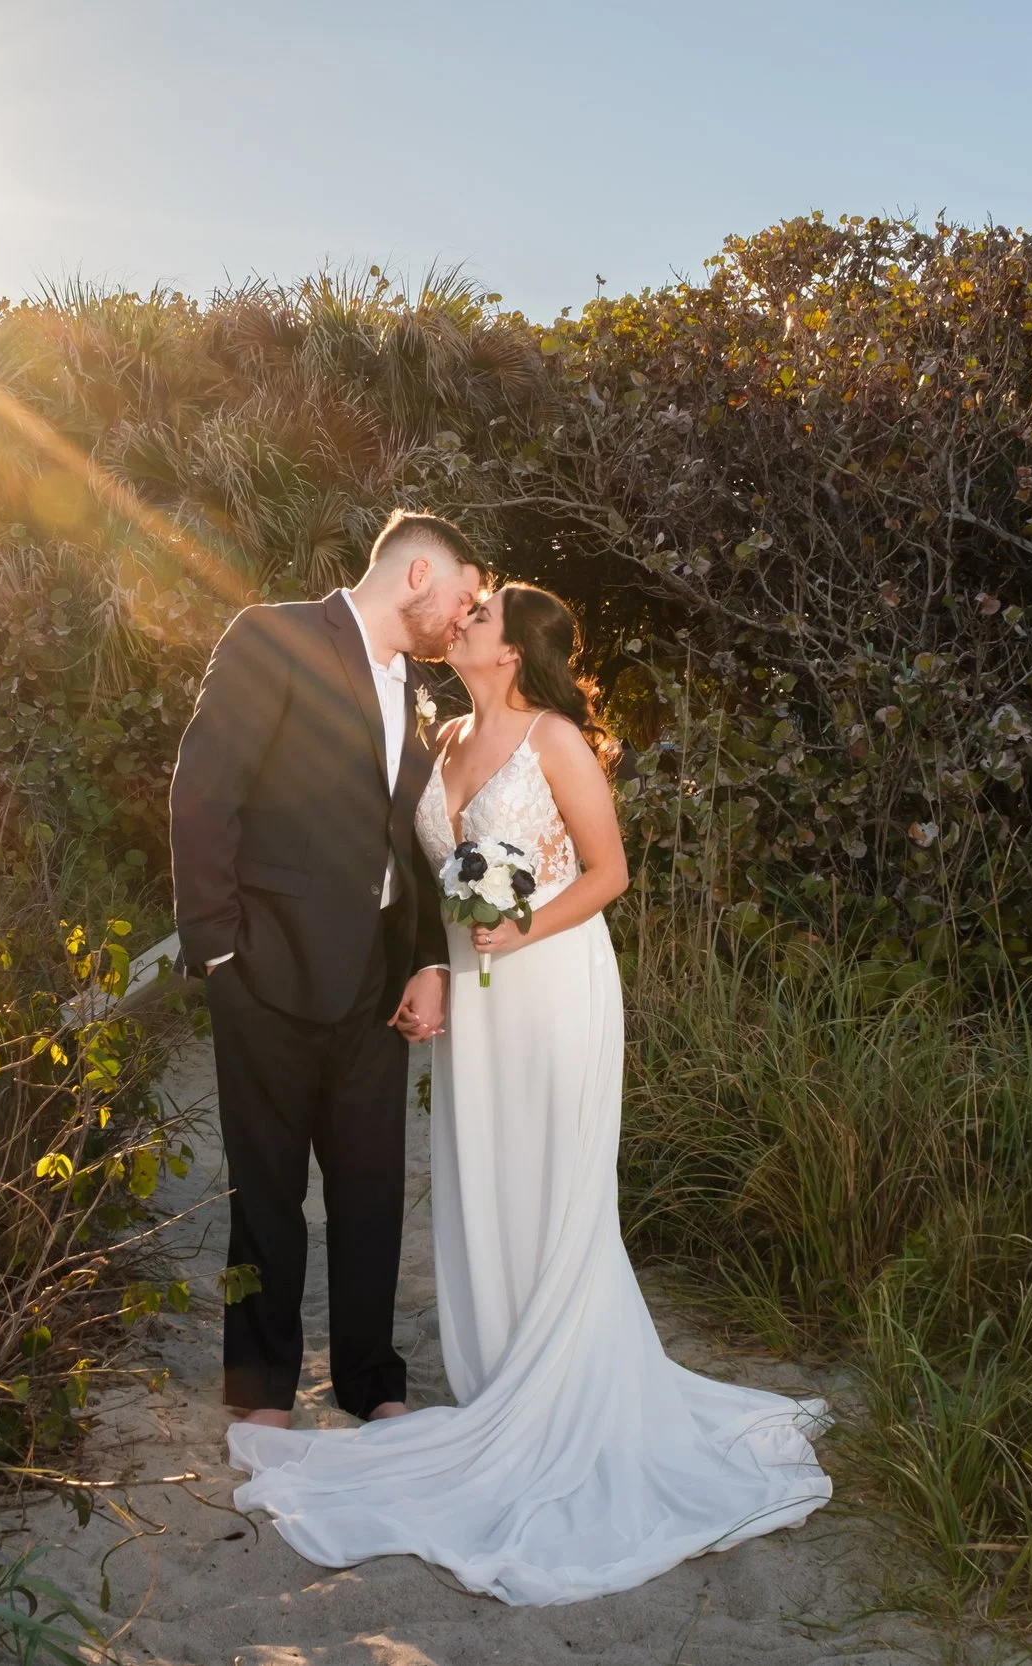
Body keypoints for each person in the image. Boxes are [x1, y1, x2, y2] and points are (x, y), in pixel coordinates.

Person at [225, 580, 833, 1606]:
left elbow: (608, 872)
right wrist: (432, 964)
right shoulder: (443, 731)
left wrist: (519, 932)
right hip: (477, 998)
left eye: (481, 617)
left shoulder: (553, 739)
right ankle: (505, 1371)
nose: (462, 621)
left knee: (555, 1183)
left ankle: (563, 1385)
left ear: (514, 652)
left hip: (550, 983)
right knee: (486, 1177)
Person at [168, 509, 484, 1427]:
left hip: (375, 986)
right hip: (265, 973)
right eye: (461, 597)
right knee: (263, 1194)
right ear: (418, 574)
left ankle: (370, 1381)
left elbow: (408, 843)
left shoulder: (409, 691)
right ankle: (259, 1391)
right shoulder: (272, 635)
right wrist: (219, 949)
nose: (462, 618)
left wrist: (426, 959)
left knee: (372, 1193)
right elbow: (203, 790)